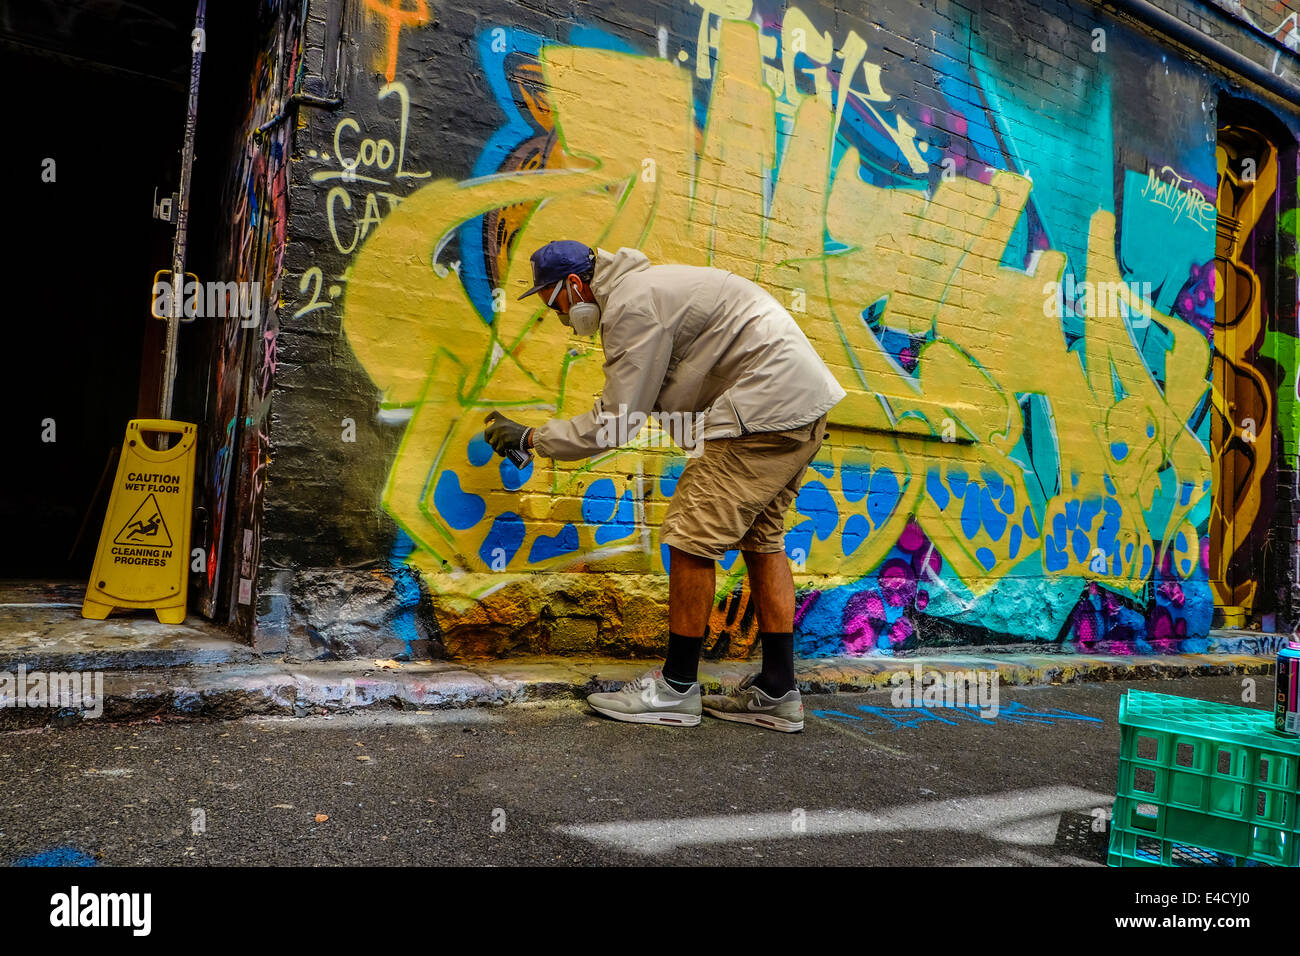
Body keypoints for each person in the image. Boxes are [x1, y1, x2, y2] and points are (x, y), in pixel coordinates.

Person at [484, 240, 845, 732]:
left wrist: (532, 437)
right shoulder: (649, 289)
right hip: (798, 406)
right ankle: (778, 691)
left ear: (575, 285)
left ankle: (675, 688)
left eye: (555, 304)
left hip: (760, 411)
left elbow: (616, 423)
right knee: (762, 539)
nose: (561, 318)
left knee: (689, 537)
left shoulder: (633, 303)